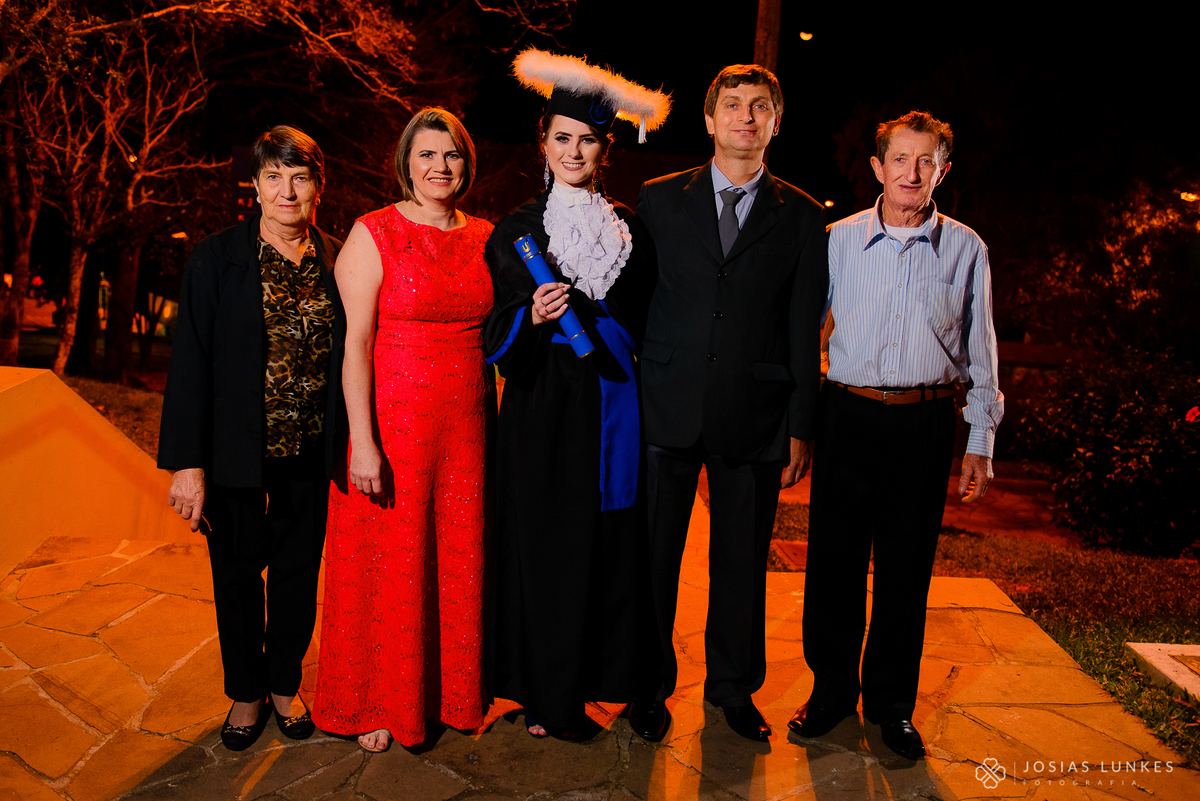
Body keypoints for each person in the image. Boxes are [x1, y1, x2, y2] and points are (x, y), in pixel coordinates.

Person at [789, 111, 1003, 760]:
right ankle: (830, 691)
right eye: (899, 159)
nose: (912, 172)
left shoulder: (967, 248)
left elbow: (982, 348)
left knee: (906, 569)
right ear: (877, 167)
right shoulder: (835, 239)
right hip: (847, 415)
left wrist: (980, 439)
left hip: (924, 420)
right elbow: (801, 334)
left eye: (927, 160)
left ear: (942, 169)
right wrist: (796, 423)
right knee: (834, 562)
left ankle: (891, 705)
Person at [631, 64, 827, 743]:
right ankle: (648, 686)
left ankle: (733, 688)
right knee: (653, 556)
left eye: (761, 106)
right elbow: (634, 303)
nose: (746, 116)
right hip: (664, 402)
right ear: (709, 121)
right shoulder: (656, 201)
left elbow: (804, 325)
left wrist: (801, 423)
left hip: (756, 409)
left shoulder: (802, 216)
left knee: (741, 558)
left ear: (776, 122)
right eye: (733, 105)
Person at [483, 49, 669, 740]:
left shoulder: (631, 230)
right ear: (543, 143)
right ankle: (545, 694)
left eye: (587, 139)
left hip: (615, 399)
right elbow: (495, 330)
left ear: (605, 148)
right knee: (547, 543)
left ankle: (605, 679)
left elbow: (649, 319)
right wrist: (530, 314)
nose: (574, 149)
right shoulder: (518, 231)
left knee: (610, 537)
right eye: (561, 137)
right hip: (543, 403)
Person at [310, 108, 494, 753]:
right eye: (426, 156)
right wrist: (362, 439)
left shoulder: (488, 237)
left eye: (451, 156)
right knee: (389, 563)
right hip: (394, 426)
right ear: (405, 162)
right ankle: (377, 701)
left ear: (465, 165)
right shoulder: (374, 232)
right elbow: (354, 344)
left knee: (455, 559)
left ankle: (449, 694)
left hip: (468, 434)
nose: (439, 168)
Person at [159, 126, 341, 751]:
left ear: (318, 184)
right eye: (274, 177)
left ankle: (285, 684)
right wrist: (187, 463)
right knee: (236, 573)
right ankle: (246, 691)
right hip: (237, 451)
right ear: (257, 186)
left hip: (314, 451)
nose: (288, 190)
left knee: (296, 571)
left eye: (300, 176)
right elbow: (190, 362)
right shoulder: (216, 258)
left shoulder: (341, 258)